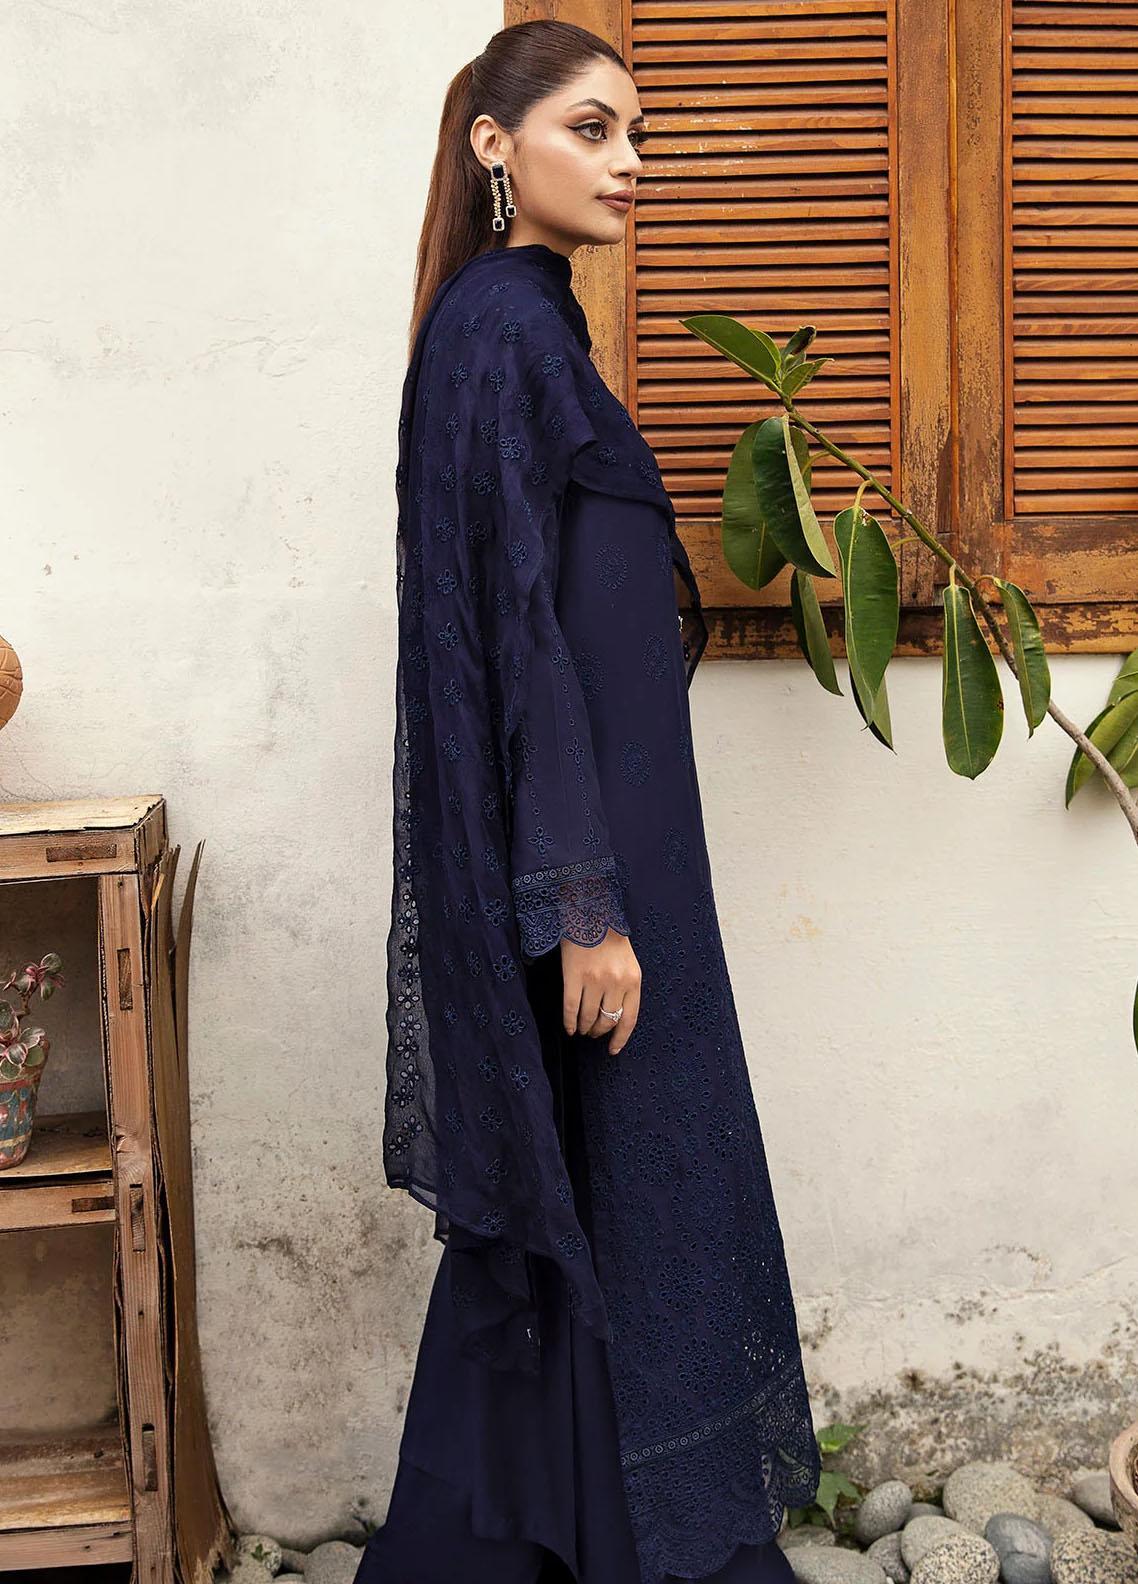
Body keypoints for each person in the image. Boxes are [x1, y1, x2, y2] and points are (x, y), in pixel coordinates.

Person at [355, 19, 822, 1584]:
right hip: (591, 869)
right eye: (591, 127)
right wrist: (578, 903)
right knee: (606, 1189)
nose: (631, 161)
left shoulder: (529, 322)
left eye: (638, 132)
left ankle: (544, 1549)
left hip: (619, 853)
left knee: (594, 1204)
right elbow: (517, 644)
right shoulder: (500, 328)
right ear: (493, 144)